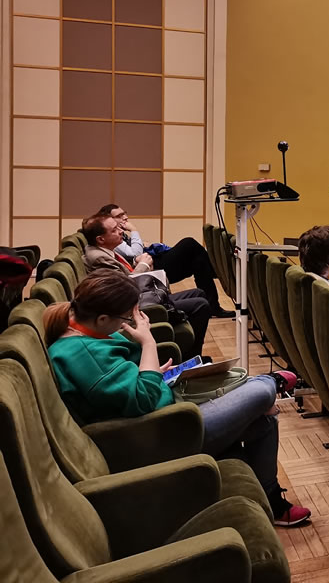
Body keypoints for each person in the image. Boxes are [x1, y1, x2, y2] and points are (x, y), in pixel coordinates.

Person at [44, 270, 311, 526]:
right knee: (262, 392)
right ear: (102, 318)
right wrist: (148, 342)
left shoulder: (83, 334)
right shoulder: (83, 354)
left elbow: (122, 386)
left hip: (168, 414)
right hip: (163, 433)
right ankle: (271, 381)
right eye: (126, 318)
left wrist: (151, 372)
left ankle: (272, 501)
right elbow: (143, 399)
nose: (129, 324)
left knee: (264, 420)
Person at [82, 214, 212, 357]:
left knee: (199, 293)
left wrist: (135, 263)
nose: (120, 231)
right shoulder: (99, 257)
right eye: (114, 230)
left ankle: (194, 355)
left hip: (140, 298)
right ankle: (191, 358)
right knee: (201, 305)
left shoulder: (103, 250)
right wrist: (143, 265)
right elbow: (123, 287)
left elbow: (120, 273)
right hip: (133, 309)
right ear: (100, 239)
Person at [98, 204, 233, 319]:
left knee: (198, 262)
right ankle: (220, 273)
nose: (125, 217)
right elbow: (135, 253)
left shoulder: (118, 235)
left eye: (124, 213)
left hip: (152, 263)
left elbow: (134, 252)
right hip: (151, 270)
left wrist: (143, 244)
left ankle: (213, 303)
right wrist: (134, 231)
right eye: (119, 216)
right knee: (189, 244)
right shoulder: (109, 238)